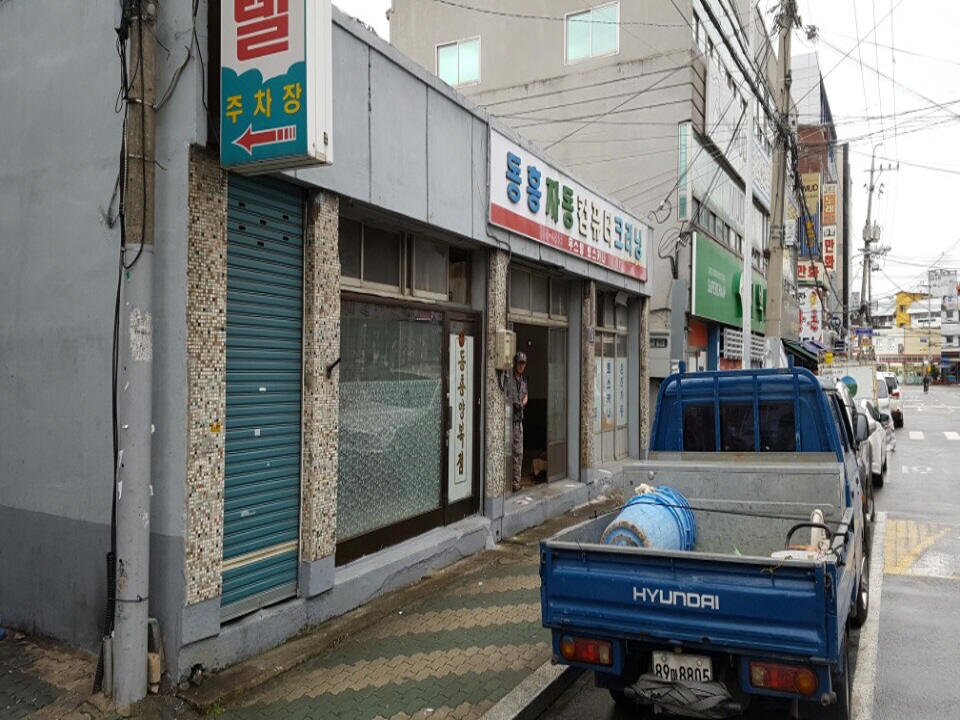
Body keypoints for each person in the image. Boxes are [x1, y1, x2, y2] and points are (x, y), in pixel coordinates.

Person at [503, 351, 529, 492]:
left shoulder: (523, 380)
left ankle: (515, 482)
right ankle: (504, 481)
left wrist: (522, 403)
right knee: (507, 451)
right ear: (515, 363)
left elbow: (526, 395)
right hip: (508, 420)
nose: (521, 366)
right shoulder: (508, 378)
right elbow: (504, 395)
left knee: (518, 452)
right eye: (519, 363)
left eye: (523, 364)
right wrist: (513, 403)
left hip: (518, 421)